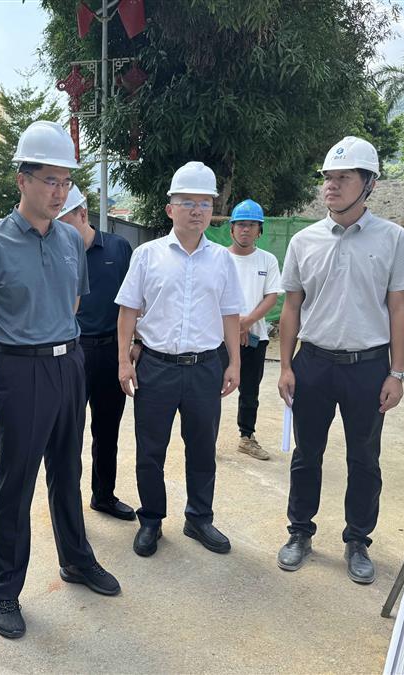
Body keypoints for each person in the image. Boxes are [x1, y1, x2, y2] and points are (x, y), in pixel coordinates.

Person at [0, 120, 120, 641]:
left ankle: (76, 559)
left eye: (65, 182)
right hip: (20, 369)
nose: (59, 191)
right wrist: (10, 361)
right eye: (49, 180)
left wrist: (55, 350)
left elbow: (71, 302)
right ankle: (4, 589)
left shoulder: (71, 240)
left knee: (67, 470)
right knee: (17, 481)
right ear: (22, 180)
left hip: (69, 362)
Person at [276, 136, 404, 585]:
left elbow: (399, 308)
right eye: (327, 178)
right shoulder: (304, 240)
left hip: (368, 367)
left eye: (343, 177)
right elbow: (292, 307)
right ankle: (300, 532)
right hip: (313, 364)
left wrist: (396, 373)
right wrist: (286, 366)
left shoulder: (393, 239)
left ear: (369, 183)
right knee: (307, 455)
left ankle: (358, 540)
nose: (331, 186)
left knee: (364, 458)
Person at [115, 161, 243, 559]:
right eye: (187, 202)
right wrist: (124, 361)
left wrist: (234, 363)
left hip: (205, 367)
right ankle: (151, 519)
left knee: (202, 448)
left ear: (212, 210)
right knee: (150, 450)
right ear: (170, 209)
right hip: (155, 367)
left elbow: (230, 315)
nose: (196, 210)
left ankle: (199, 518)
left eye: (204, 203)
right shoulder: (147, 255)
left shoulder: (222, 260)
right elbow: (127, 311)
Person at [57, 186, 135, 520]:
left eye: (64, 222)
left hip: (110, 351)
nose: (59, 231)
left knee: (107, 431)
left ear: (83, 214)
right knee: (68, 435)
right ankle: (69, 510)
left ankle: (103, 495)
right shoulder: (57, 253)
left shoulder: (118, 249)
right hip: (72, 352)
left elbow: (136, 301)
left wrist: (133, 346)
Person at [223, 199, 281, 460]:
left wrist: (246, 323)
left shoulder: (267, 260)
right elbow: (212, 294)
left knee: (249, 391)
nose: (246, 229)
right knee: (209, 389)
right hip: (220, 338)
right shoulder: (220, 257)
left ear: (260, 230)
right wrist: (234, 325)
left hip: (256, 337)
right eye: (241, 224)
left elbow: (271, 296)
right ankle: (205, 438)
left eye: (252, 225)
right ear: (231, 229)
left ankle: (247, 437)